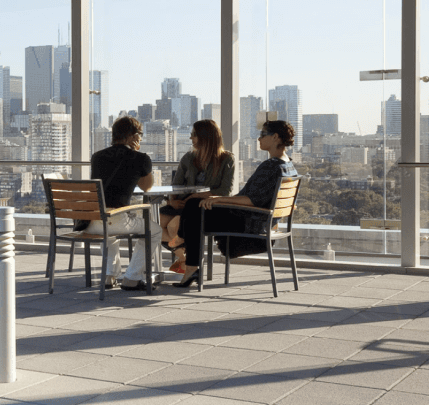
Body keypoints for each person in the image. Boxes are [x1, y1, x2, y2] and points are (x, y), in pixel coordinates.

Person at [173, 120, 299, 289]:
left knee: (194, 208)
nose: (259, 139)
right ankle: (188, 259)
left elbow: (250, 200)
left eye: (262, 135)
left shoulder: (271, 166)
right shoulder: (289, 166)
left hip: (249, 223)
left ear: (275, 137)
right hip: (265, 223)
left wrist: (219, 199)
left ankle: (187, 257)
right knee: (195, 207)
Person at [84, 116, 157, 291]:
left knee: (109, 230)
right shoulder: (140, 158)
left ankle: (109, 276)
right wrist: (143, 161)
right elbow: (146, 187)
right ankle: (132, 277)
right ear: (132, 136)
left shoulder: (97, 157)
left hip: (90, 221)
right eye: (140, 134)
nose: (141, 138)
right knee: (154, 231)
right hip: (114, 220)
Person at [161, 120, 235, 268]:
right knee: (154, 224)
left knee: (173, 226)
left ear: (205, 136)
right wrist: (171, 202)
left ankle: (186, 259)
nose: (191, 138)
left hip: (206, 207)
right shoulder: (188, 158)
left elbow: (225, 191)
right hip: (181, 205)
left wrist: (196, 196)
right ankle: (182, 254)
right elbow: (175, 186)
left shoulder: (226, 159)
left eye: (194, 135)